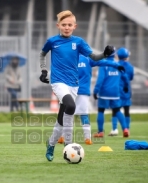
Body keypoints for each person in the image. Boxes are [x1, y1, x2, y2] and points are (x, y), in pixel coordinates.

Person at [39, 10, 115, 162]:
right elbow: (42, 54)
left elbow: (93, 56)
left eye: (69, 25)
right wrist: (43, 70)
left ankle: (51, 143)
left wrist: (105, 54)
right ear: (58, 25)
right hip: (58, 81)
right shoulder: (52, 41)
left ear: (74, 26)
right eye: (64, 25)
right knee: (71, 106)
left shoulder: (79, 42)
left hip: (73, 84)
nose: (66, 27)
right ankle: (69, 144)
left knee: (62, 118)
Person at [57, 55, 125, 145]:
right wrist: (116, 65)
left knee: (66, 114)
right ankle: (87, 138)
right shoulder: (88, 59)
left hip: (69, 90)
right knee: (84, 114)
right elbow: (103, 62)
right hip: (83, 91)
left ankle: (62, 136)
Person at [93, 51, 130, 138]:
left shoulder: (103, 65)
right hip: (115, 92)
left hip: (104, 92)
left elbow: (100, 80)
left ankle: (100, 132)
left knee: (101, 111)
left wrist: (95, 91)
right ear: (114, 55)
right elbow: (125, 76)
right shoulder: (117, 65)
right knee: (117, 110)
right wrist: (126, 86)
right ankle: (125, 129)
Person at [109, 47, 134, 136]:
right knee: (127, 111)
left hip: (117, 90)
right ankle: (127, 128)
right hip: (126, 90)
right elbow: (130, 78)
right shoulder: (130, 66)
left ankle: (114, 129)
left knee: (115, 110)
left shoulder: (115, 65)